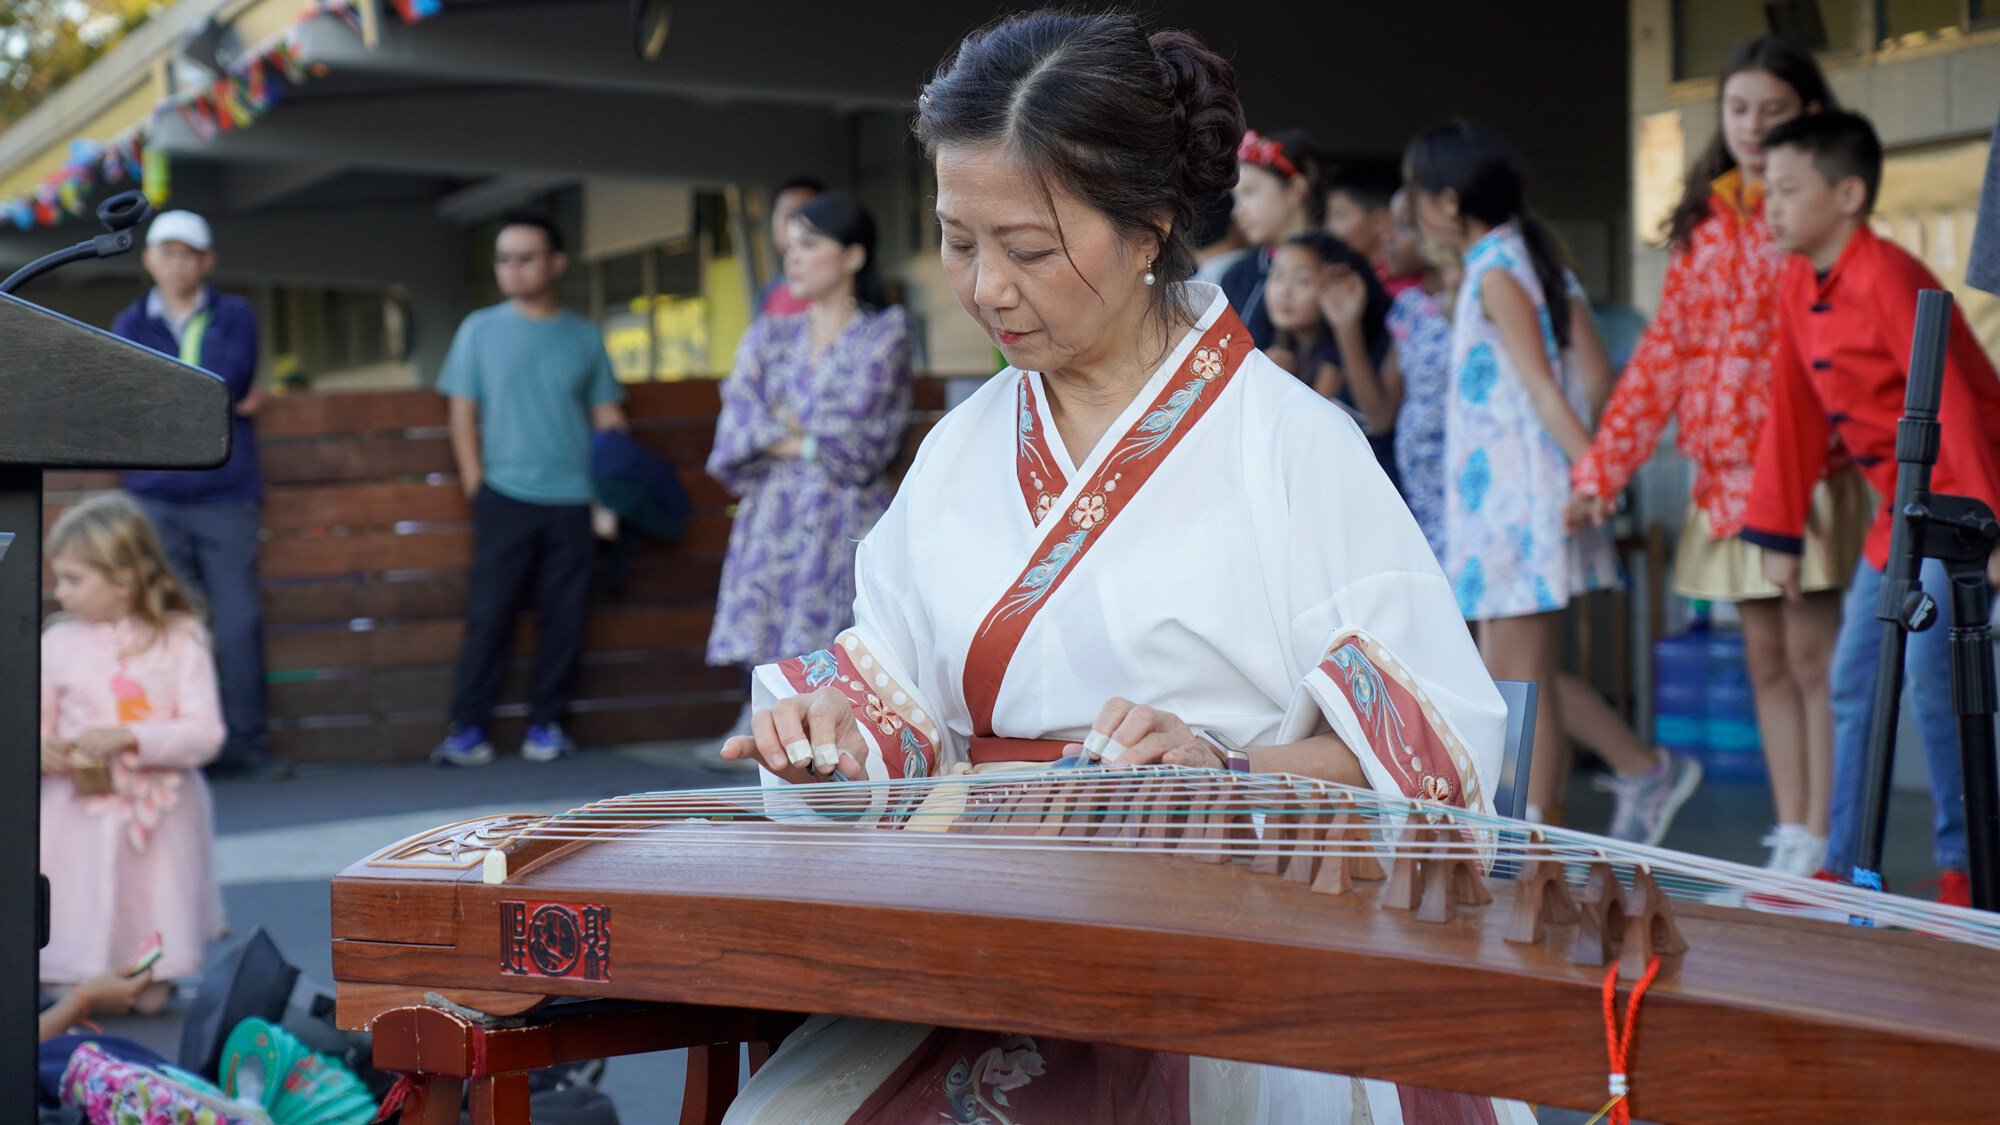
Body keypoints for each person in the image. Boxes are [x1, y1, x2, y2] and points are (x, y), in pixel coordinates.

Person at [715, 11, 1530, 1122]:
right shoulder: (959, 448)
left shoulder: (1289, 443)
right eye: (960, 241)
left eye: (1030, 250)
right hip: (986, 935)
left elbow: (1433, 756)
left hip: (1228, 942)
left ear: (1149, 229)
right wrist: (834, 740)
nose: (987, 288)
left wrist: (1221, 776)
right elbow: (897, 693)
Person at [1565, 38, 1860, 876]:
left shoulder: (1814, 211)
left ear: (1811, 113)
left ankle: (1833, 841)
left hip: (1805, 474)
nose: (1754, 126)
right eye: (1739, 109)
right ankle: (1794, 837)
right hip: (1723, 479)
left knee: (1815, 662)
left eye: (1775, 110)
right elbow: (1663, 355)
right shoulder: (1705, 221)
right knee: (1764, 658)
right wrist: (1601, 473)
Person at [1406, 121, 1700, 842]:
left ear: (1447, 202)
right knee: (1507, 679)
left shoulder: (1499, 268)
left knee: (1519, 684)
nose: (1410, 208)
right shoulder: (1516, 259)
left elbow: (1542, 389)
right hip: (1504, 499)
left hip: (1515, 500)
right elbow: (1590, 375)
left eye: (1416, 194)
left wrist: (1597, 478)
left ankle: (1530, 828)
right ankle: (1529, 822)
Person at [1744, 111, 2000, 905]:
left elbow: (1956, 404)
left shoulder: (1888, 273)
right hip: (1903, 512)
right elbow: (1790, 406)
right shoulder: (1798, 282)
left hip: (1963, 502)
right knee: (1857, 679)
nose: (1771, 206)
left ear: (1848, 193)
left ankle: (1966, 868)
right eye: (1768, 189)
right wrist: (1778, 528)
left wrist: (1991, 527)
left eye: (1789, 189)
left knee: (1935, 681)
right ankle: (1845, 870)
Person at [704, 193, 913, 750]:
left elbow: (862, 440)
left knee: (838, 631)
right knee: (769, 619)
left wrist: (784, 433)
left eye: (810, 243)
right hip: (774, 507)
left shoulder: (885, 332)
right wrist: (805, 440)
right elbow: (737, 423)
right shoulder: (770, 336)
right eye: (790, 245)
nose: (792, 258)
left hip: (844, 509)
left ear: (852, 256)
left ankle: (829, 731)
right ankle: (763, 726)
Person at [431, 212, 628, 767]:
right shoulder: (479, 329)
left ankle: (548, 726)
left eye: (526, 257)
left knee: (564, 617)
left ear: (556, 263)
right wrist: (477, 484)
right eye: (503, 258)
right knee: (489, 614)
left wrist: (614, 486)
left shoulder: (585, 337)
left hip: (572, 500)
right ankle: (467, 730)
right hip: (503, 494)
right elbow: (461, 412)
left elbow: (607, 417)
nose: (512, 268)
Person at [111, 210, 284, 782]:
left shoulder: (235, 312)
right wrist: (215, 398)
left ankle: (247, 746)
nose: (177, 262)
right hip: (153, 493)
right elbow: (136, 397)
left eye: (188, 253)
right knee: (166, 623)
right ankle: (177, 745)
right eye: (167, 252)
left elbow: (226, 380)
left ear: (206, 261)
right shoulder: (127, 321)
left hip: (225, 494)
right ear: (149, 260)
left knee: (236, 621)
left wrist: (203, 396)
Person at [40, 493, 225, 1009]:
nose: (60, 592)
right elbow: (35, 726)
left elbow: (204, 733)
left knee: (153, 918)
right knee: (78, 913)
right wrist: (40, 749)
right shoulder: (57, 643)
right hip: (76, 811)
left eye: (74, 579)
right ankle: (77, 978)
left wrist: (131, 737)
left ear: (122, 580)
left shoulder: (178, 638)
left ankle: (149, 972)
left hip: (158, 811)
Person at [1262, 230, 1400, 482]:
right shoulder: (1281, 354)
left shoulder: (1363, 345)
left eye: (1302, 281)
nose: (1283, 291)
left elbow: (1379, 420)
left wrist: (1346, 325)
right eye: (1277, 276)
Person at [1386, 189, 1457, 561]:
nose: (1388, 237)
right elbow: (1382, 409)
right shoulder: (1407, 307)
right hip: (1418, 483)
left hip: (1461, 476)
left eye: (1403, 226)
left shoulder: (1473, 296)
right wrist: (1346, 324)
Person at [1218, 126, 1324, 349]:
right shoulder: (1237, 276)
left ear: (1296, 190)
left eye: (1250, 192)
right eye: (1236, 199)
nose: (1238, 211)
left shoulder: (1335, 266)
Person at [1323, 156, 1420, 297]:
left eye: (1339, 215)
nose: (1328, 228)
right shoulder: (1346, 280)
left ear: (1380, 222)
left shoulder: (1408, 290)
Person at [758, 177, 827, 319]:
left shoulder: (843, 287)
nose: (797, 227)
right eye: (790, 216)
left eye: (806, 215)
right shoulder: (768, 295)